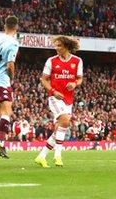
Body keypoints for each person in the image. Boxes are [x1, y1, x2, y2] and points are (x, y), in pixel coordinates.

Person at [35, 36, 83, 168]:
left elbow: (79, 79)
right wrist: (52, 90)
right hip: (55, 97)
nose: (56, 48)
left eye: (59, 46)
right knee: (65, 120)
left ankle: (42, 156)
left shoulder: (77, 61)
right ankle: (58, 155)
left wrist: (74, 84)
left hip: (69, 99)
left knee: (59, 128)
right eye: (56, 46)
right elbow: (44, 79)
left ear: (66, 47)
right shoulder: (51, 61)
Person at [0, 16, 20, 159]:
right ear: (16, 27)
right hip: (1, 79)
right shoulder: (13, 43)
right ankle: (0, 142)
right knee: (7, 111)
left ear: (5, 26)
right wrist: (11, 78)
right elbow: (10, 64)